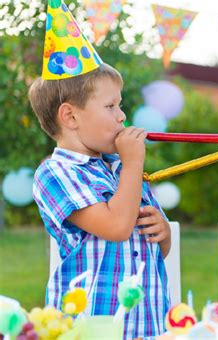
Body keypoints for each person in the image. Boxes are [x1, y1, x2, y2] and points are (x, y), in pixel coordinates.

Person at [29, 2, 170, 338]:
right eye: (110, 106)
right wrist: (134, 164)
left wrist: (163, 233)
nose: (122, 116)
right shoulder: (55, 174)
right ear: (70, 117)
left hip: (147, 325)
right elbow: (118, 226)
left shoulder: (120, 167)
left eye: (119, 104)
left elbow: (152, 246)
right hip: (92, 327)